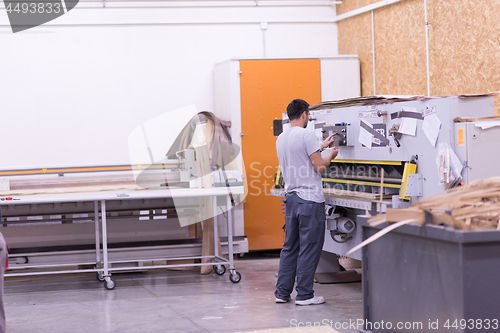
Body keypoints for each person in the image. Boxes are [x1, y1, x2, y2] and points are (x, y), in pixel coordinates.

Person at [274, 98, 338, 306]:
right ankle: (304, 295)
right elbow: (320, 167)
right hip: (310, 200)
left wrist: (320, 146)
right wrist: (330, 154)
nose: (308, 118)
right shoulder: (307, 134)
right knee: (309, 247)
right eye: (308, 114)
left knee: (290, 247)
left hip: (291, 199)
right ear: (304, 114)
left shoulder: (281, 138)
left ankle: (282, 293)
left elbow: (299, 155)